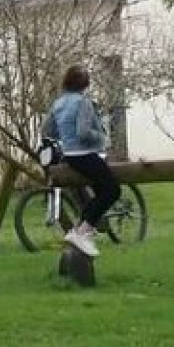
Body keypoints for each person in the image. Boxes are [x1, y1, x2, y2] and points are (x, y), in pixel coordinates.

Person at [41, 64, 118, 257]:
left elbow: (47, 130)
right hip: (85, 154)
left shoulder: (58, 103)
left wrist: (66, 137)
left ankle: (82, 229)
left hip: (70, 156)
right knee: (113, 190)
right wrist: (101, 137)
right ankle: (82, 231)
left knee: (100, 192)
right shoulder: (83, 102)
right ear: (85, 85)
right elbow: (84, 133)